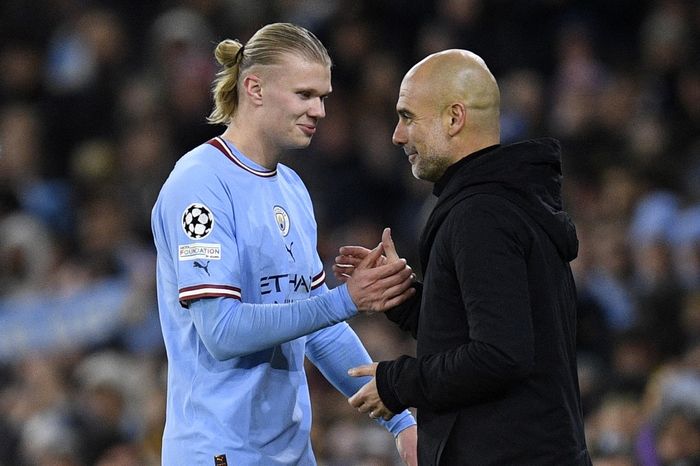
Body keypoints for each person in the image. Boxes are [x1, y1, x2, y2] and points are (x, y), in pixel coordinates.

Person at [151, 23, 418, 466]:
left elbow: (322, 329)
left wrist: (399, 422)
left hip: (290, 453)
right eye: (304, 95)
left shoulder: (291, 187)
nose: (319, 111)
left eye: (323, 97)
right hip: (218, 451)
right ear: (254, 87)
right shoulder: (200, 183)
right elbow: (220, 331)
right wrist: (345, 300)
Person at [334, 49, 593, 465]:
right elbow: (480, 333)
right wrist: (405, 300)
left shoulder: (481, 215)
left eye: (408, 117)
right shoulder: (505, 202)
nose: (397, 136)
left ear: (454, 118)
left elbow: (499, 355)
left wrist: (398, 382)